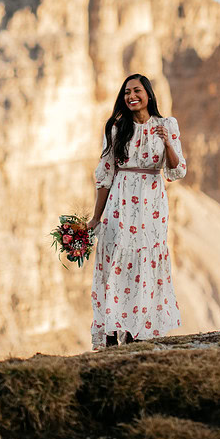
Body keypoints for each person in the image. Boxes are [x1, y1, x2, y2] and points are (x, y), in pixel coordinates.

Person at [87, 73, 186, 349]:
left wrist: (167, 142)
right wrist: (96, 218)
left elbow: (177, 171)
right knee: (118, 261)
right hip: (121, 202)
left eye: (137, 91)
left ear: (148, 94)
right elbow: (105, 175)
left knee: (145, 261)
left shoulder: (167, 125)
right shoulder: (117, 128)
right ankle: (111, 331)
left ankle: (137, 331)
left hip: (151, 204)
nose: (131, 96)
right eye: (127, 92)